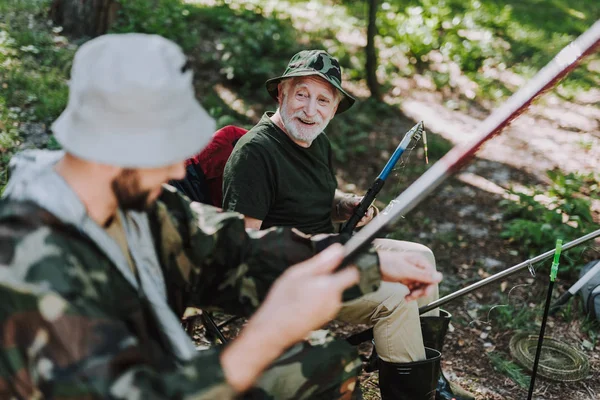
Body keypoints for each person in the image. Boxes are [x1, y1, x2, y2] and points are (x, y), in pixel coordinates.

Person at [0, 34, 442, 399]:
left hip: (170, 362)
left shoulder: (136, 204)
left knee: (325, 363)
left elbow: (235, 245)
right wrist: (263, 337)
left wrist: (364, 265)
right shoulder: (38, 267)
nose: (180, 170)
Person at [223, 49, 473, 400]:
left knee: (420, 259)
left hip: (331, 252)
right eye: (301, 94)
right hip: (292, 278)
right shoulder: (255, 153)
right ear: (281, 93)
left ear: (335, 107)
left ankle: (428, 377)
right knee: (398, 296)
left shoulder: (316, 142)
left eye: (323, 100)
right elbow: (244, 245)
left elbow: (310, 196)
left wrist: (342, 204)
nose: (311, 110)